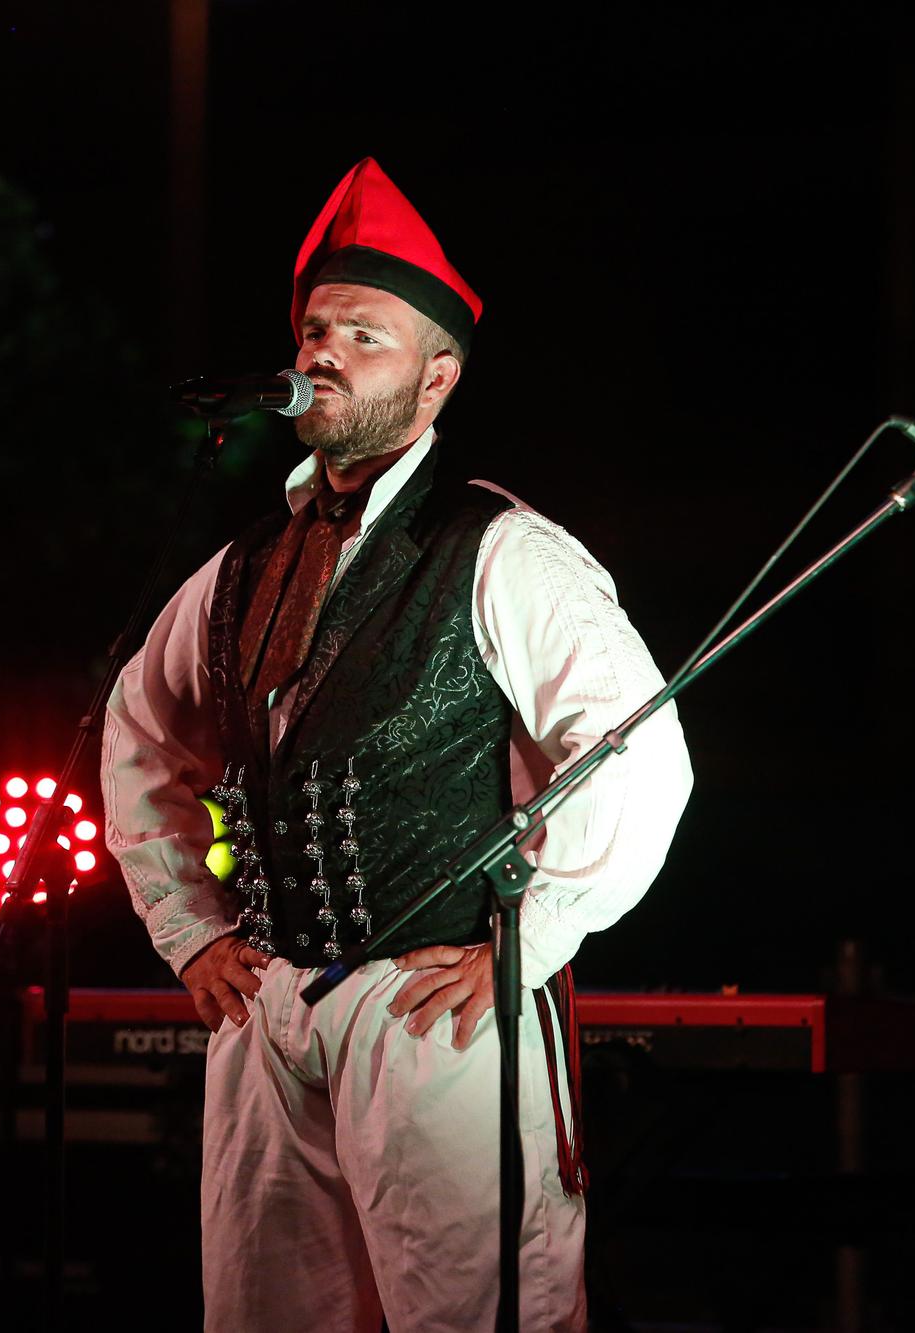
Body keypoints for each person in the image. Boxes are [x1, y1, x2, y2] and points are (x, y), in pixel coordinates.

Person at [102, 158, 693, 1332]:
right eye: (314, 327)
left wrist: (531, 940)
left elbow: (639, 750)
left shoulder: (500, 549)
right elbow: (135, 732)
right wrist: (188, 932)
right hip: (267, 1009)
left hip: (431, 1014)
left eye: (361, 335)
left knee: (466, 1313)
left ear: (432, 382)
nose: (321, 351)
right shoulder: (240, 566)